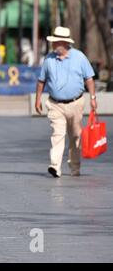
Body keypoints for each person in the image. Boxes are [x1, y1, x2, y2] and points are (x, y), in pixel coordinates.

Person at [35, 26, 97, 178]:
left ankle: (75, 167)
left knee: (75, 136)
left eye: (56, 42)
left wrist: (93, 98)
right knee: (58, 134)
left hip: (76, 103)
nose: (53, 45)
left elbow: (89, 79)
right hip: (55, 104)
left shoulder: (79, 57)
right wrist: (38, 100)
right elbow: (41, 81)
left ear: (64, 43)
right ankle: (55, 166)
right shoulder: (48, 59)